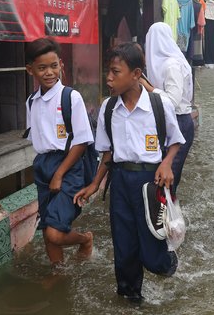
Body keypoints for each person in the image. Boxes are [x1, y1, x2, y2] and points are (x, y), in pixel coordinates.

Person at [74, 42, 185, 303]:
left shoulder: (159, 104)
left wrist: (167, 162)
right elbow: (108, 154)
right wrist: (94, 185)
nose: (108, 78)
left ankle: (166, 262)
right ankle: (130, 298)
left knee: (152, 253)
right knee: (124, 248)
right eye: (108, 72)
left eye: (115, 72)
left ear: (136, 74)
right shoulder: (109, 109)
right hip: (121, 183)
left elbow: (176, 140)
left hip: (150, 183)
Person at [24, 38, 94, 267]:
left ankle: (85, 239)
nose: (49, 72)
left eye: (53, 66)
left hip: (68, 166)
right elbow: (37, 139)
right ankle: (58, 272)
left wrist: (59, 174)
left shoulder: (70, 97)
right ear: (30, 70)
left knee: (55, 232)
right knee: (47, 227)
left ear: (61, 65)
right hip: (43, 165)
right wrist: (44, 170)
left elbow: (82, 141)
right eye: (42, 68)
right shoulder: (31, 101)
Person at [141, 22, 194, 195]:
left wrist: (148, 88)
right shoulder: (161, 64)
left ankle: (168, 215)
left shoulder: (172, 65)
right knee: (160, 174)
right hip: (162, 121)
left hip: (179, 121)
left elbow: (173, 100)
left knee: (169, 175)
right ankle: (165, 213)